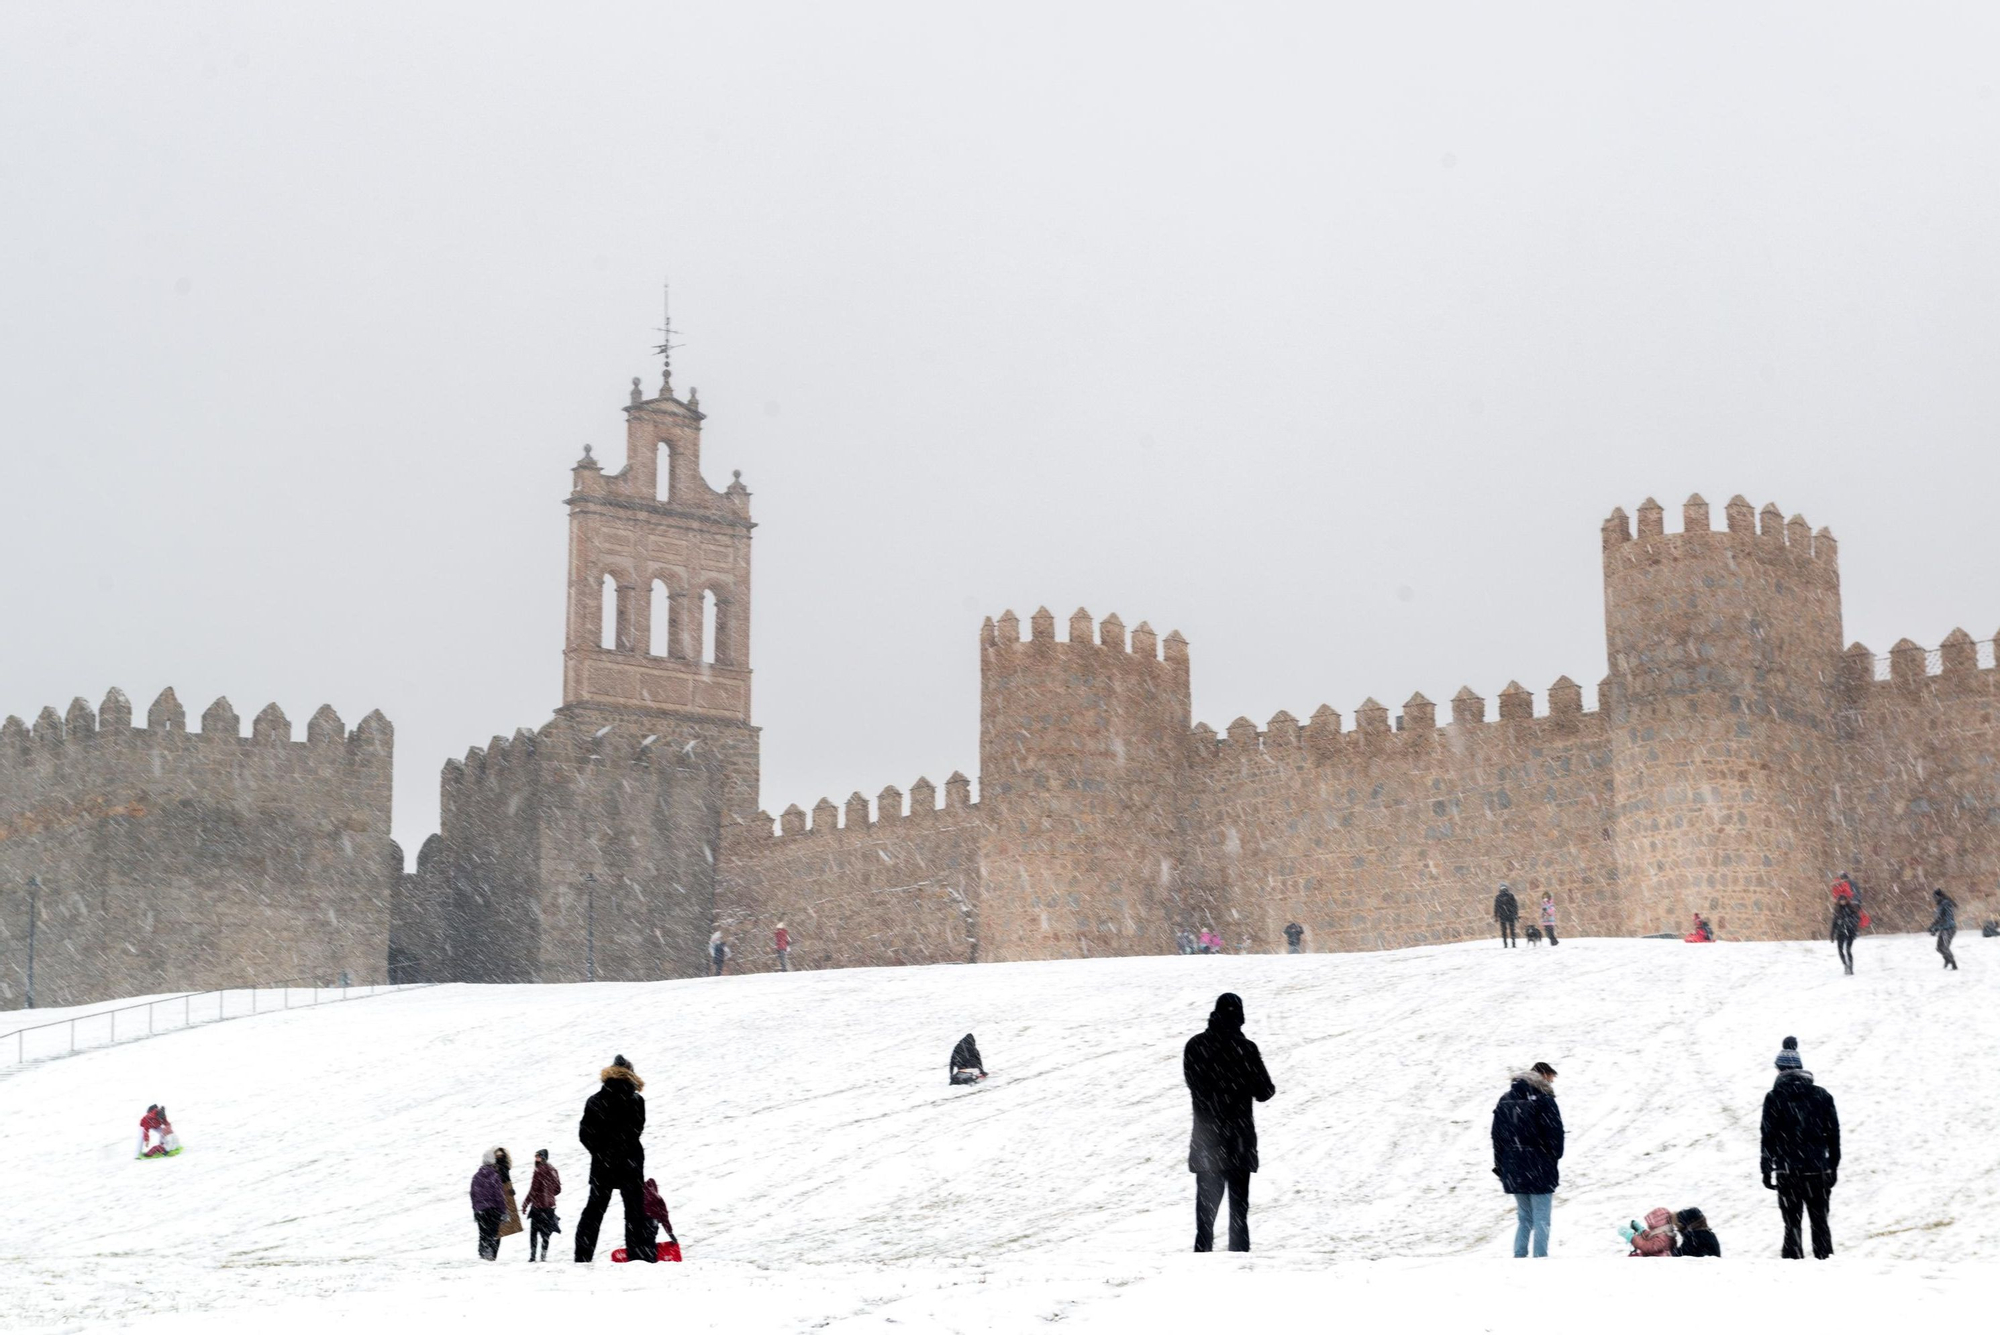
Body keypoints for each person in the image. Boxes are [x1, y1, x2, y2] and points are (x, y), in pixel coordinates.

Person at [1183, 992, 1276, 1252]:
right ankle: (1239, 1271)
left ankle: (1199, 1268)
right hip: (1238, 1141)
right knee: (1238, 1217)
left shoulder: (1195, 1046)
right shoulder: (1246, 1050)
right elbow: (1265, 1092)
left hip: (1207, 1140)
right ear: (1241, 1017)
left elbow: (1196, 1086)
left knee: (1205, 1220)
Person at [1761, 1036, 1840, 1259]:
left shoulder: (1774, 1097)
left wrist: (1767, 1169)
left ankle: (1793, 1267)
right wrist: (1832, 1166)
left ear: (1781, 1070)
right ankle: (1825, 1264)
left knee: (1792, 1224)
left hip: (1788, 1171)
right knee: (1820, 1223)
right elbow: (1834, 1136)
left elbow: (1768, 1138)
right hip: (1817, 1170)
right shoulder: (1822, 1096)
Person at [575, 1054, 656, 1264]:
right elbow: (637, 1129)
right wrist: (623, 1147)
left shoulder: (594, 1100)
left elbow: (585, 1134)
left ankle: (583, 1257)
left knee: (594, 1211)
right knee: (634, 1211)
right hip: (630, 1162)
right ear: (631, 1074)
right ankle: (637, 1256)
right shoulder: (637, 1100)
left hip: (603, 1164)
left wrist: (601, 1152)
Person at [1491, 1061, 1564, 1258]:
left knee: (1524, 1219)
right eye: (1552, 1077)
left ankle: (1519, 1258)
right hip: (1539, 1167)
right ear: (1544, 1075)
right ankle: (1540, 1259)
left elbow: (1497, 1137)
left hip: (1513, 1168)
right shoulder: (1544, 1100)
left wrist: (1501, 1166)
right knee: (1542, 1219)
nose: (1553, 1081)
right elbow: (1555, 1134)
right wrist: (1553, 1158)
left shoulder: (1505, 1100)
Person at [524, 1148, 562, 1261]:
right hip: (549, 1207)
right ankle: (543, 1256)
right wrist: (550, 1194)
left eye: (538, 1156)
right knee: (546, 1233)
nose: (536, 1159)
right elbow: (558, 1189)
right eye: (536, 1156)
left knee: (534, 1232)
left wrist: (525, 1204)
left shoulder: (538, 1170)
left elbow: (533, 1190)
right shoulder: (553, 1170)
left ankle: (532, 1256)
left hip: (538, 1207)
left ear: (543, 1157)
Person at [471, 1148, 507, 1260]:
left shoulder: (476, 1177)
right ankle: (491, 1256)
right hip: (493, 1211)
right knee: (494, 1234)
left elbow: (473, 1195)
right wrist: (503, 1211)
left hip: (480, 1211)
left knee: (483, 1234)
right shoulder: (495, 1176)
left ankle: (483, 1255)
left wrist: (475, 1209)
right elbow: (499, 1196)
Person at [1831, 893, 1860, 976]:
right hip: (1840, 932)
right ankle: (1845, 965)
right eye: (1841, 900)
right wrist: (1832, 934)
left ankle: (1850, 968)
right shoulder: (1837, 910)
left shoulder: (1851, 908)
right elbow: (1834, 922)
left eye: (1843, 900)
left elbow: (1856, 918)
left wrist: (1849, 922)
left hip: (1850, 932)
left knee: (1848, 950)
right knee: (1840, 951)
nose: (1842, 902)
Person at [1928, 889, 1958, 970]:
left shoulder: (1946, 904)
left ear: (1939, 896)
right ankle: (1947, 959)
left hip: (1949, 928)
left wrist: (1935, 928)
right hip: (1944, 928)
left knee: (1945, 947)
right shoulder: (1941, 905)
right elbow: (1939, 919)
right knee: (1939, 947)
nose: (1934, 899)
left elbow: (1943, 919)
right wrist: (1933, 927)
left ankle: (1953, 964)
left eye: (1935, 897)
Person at [1493, 884, 1519, 948]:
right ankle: (1513, 943)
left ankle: (1505, 944)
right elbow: (1515, 906)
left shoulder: (1498, 897)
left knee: (1504, 931)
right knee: (1512, 930)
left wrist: (1496, 916)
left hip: (1502, 915)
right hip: (1510, 914)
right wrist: (1515, 914)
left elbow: (1496, 907)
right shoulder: (1510, 895)